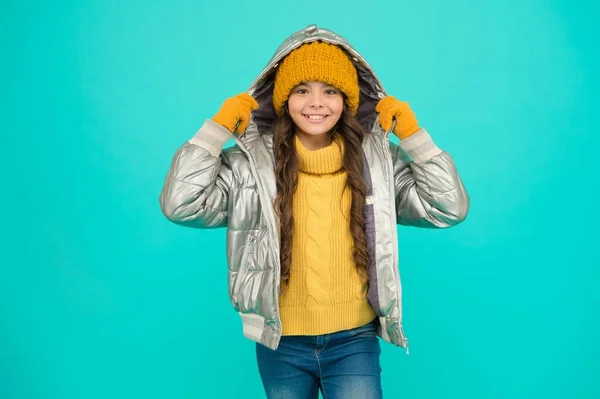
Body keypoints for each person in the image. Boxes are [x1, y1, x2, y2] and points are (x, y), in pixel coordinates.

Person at [159, 24, 469, 399]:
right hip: (281, 340)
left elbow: (447, 208)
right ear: (283, 98)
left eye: (331, 91)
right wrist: (213, 132)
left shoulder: (378, 165)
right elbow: (180, 205)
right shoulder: (249, 168)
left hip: (354, 338)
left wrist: (416, 139)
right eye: (302, 90)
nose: (316, 103)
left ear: (348, 100)